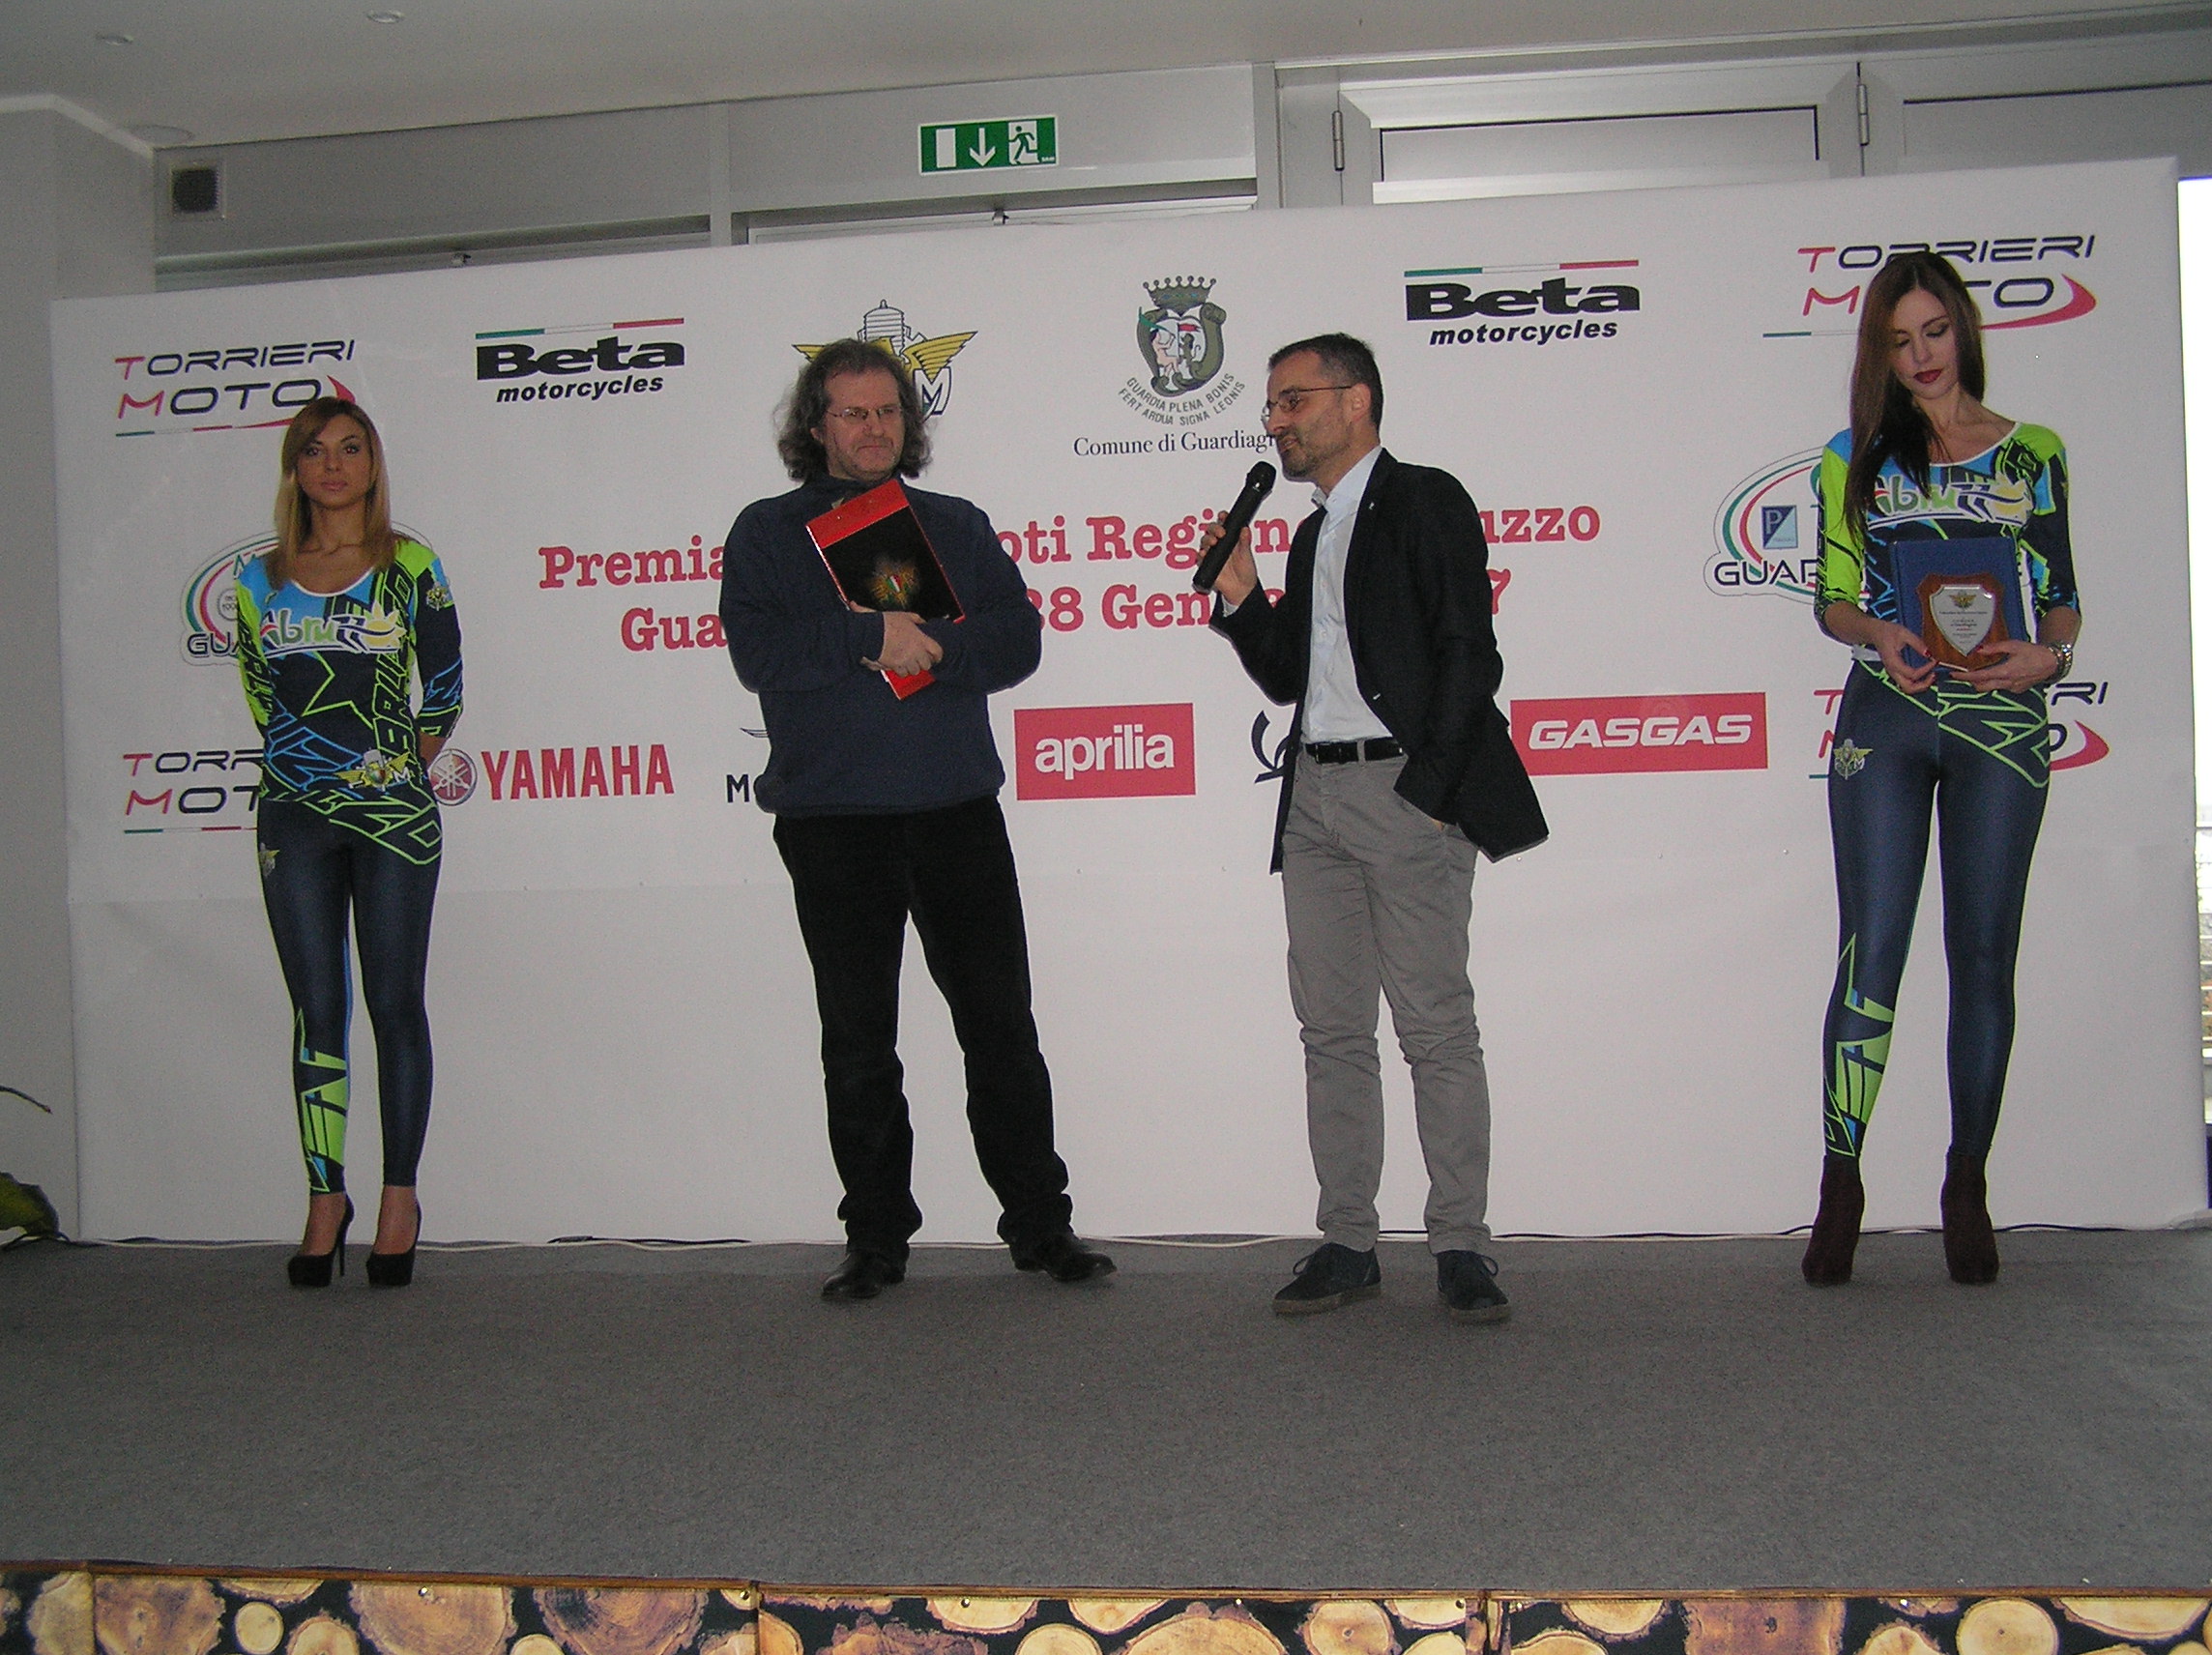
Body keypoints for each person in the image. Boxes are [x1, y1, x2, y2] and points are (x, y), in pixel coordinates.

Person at [719, 338, 1115, 1301]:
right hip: (832, 821)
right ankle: (876, 1239)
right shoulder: (768, 532)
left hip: (954, 813)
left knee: (1001, 1030)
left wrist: (930, 644)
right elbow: (759, 655)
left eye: (889, 410)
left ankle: (1040, 1226)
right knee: (858, 1044)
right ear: (814, 426)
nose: (874, 428)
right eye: (852, 413)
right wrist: (868, 635)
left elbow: (1017, 640)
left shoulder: (953, 524)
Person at [1201, 333, 1547, 1322]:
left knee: (1434, 1027)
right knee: (1332, 1030)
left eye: (1293, 400)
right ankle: (1348, 1240)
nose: (1276, 421)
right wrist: (1242, 600)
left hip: (1401, 792)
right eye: (1271, 406)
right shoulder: (1311, 535)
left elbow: (1469, 655)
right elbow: (1289, 678)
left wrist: (1428, 794)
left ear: (1354, 400)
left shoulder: (1425, 500)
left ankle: (1461, 1244)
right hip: (1311, 795)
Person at [1801, 250, 2081, 1287]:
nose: (1920, 355)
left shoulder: (2034, 452)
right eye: (1897, 340)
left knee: (1982, 955)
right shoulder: (1852, 457)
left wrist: (2050, 656)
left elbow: (2060, 596)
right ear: (1878, 353)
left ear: (1962, 328)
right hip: (1889, 712)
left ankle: (1966, 1182)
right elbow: (1831, 599)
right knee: (1869, 951)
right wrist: (1879, 630)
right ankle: (1840, 1181)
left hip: (2003, 724)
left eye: (1933, 331)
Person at [235, 397, 461, 1290]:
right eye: (315, 451)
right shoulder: (258, 581)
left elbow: (444, 689)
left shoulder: (410, 567)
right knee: (316, 1010)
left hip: (393, 813)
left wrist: (388, 769)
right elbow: (262, 698)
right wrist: (317, 772)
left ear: (373, 464)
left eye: (351, 448)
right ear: (295, 468)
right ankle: (325, 1199)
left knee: (394, 1002)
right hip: (293, 812)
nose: (333, 465)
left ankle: (400, 1197)